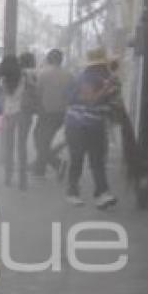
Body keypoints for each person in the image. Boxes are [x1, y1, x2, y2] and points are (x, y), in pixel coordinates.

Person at [64, 47, 117, 208]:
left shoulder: (103, 78)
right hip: (79, 125)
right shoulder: (87, 78)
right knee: (79, 158)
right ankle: (73, 192)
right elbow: (90, 100)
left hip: (92, 125)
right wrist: (106, 89)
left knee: (96, 160)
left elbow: (105, 103)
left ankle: (102, 193)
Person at [33, 48, 74, 178]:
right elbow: (72, 95)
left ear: (49, 59)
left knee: (39, 140)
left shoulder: (43, 74)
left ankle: (56, 164)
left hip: (46, 112)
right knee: (45, 141)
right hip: (61, 113)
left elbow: (37, 94)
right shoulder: (69, 75)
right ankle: (40, 169)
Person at [0, 54, 32, 189]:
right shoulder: (24, 76)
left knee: (9, 146)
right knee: (22, 147)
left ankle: (8, 177)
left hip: (9, 114)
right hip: (23, 114)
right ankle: (23, 181)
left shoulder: (2, 80)